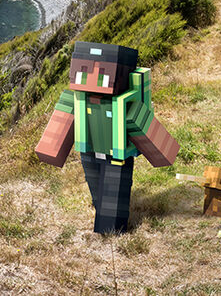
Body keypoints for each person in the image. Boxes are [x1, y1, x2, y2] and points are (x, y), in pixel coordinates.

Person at [34, 41, 179, 234]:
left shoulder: (125, 103)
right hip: (88, 153)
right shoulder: (77, 98)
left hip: (115, 157)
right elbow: (60, 125)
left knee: (112, 201)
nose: (92, 75)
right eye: (85, 69)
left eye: (101, 71)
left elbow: (145, 126)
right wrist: (50, 150)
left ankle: (111, 233)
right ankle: (104, 218)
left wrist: (163, 152)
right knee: (98, 193)